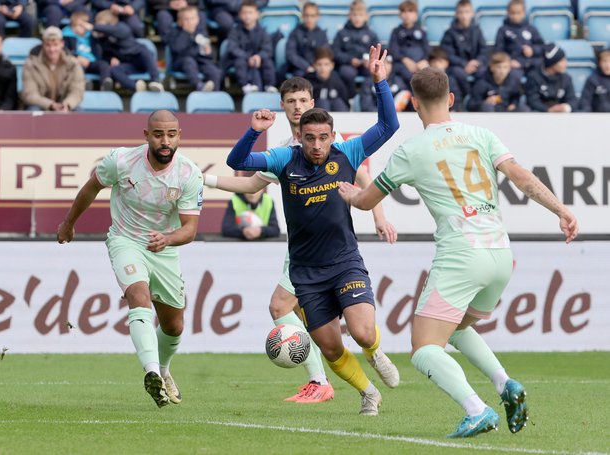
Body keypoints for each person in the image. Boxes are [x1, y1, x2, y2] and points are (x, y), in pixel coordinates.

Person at [339, 66, 578, 436]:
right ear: (451, 99)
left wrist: (350, 192)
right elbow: (521, 177)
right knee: (457, 326)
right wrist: (561, 210)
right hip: (500, 253)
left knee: (422, 347)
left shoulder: (411, 151)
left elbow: (368, 201)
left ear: (414, 104)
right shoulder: (480, 134)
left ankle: (476, 409)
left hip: (461, 254)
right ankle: (504, 384)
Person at [225, 44, 401, 416]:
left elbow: (389, 125)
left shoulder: (348, 153)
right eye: (310, 138)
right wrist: (253, 131)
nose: (317, 145)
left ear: (332, 135)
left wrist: (379, 83)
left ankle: (375, 351)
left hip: (344, 261)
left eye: (324, 138)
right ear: (300, 137)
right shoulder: (283, 158)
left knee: (364, 332)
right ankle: (368, 392)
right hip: (305, 272)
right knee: (332, 347)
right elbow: (237, 161)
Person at [57, 110, 203, 408]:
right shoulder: (121, 161)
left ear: (179, 136)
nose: (165, 141)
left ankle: (162, 370)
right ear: (146, 135)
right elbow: (91, 188)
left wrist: (168, 239)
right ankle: (150, 371)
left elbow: (189, 230)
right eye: (159, 134)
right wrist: (69, 222)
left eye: (171, 134)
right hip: (125, 240)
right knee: (138, 296)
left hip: (164, 248)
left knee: (174, 326)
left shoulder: (189, 174)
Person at [91, 10, 164, 93]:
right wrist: (111, 58)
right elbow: (105, 55)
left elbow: (110, 30)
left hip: (141, 60)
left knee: (145, 52)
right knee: (114, 70)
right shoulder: (103, 40)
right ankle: (137, 87)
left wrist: (92, 26)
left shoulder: (122, 27)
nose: (98, 27)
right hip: (129, 64)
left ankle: (155, 81)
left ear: (110, 24)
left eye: (100, 25)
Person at [20, 26, 85, 111]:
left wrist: (67, 105)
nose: (52, 49)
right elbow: (29, 94)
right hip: (42, 106)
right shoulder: (31, 64)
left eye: (55, 45)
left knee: (79, 110)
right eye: (48, 45)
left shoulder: (73, 64)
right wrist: (51, 105)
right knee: (33, 109)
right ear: (43, 44)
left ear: (62, 44)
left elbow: (77, 91)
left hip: (64, 106)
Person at [222, 0, 276, 94]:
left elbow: (267, 49)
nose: (247, 16)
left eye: (250, 13)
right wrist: (247, 58)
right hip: (243, 59)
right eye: (244, 13)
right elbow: (232, 48)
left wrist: (259, 56)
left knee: (267, 62)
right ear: (239, 15)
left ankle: (269, 85)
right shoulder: (235, 31)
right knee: (239, 61)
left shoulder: (263, 32)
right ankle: (245, 85)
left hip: (257, 60)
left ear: (257, 14)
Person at [166, 5, 223, 92]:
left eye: (192, 18)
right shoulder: (175, 32)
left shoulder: (201, 32)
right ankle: (199, 85)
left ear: (197, 19)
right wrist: (185, 33)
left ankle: (215, 94)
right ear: (179, 21)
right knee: (189, 61)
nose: (190, 22)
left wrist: (209, 52)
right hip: (182, 62)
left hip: (201, 61)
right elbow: (176, 49)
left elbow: (209, 55)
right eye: (186, 19)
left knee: (214, 71)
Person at [332, 0, 379, 100]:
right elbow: (335, 52)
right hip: (348, 64)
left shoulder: (371, 34)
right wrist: (350, 60)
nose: (357, 18)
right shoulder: (342, 33)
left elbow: (377, 51)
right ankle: (350, 99)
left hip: (365, 64)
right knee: (346, 73)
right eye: (354, 15)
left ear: (366, 16)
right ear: (349, 16)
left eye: (360, 15)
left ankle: (368, 99)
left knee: (373, 71)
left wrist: (370, 61)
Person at [440, 0, 487, 98]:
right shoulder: (450, 33)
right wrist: (464, 64)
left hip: (475, 65)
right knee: (458, 74)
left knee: (483, 72)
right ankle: (467, 98)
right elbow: (448, 54)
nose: (464, 15)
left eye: (467, 12)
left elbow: (484, 50)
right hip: (457, 66)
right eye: (461, 12)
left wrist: (477, 62)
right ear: (456, 14)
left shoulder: (477, 31)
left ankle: (476, 99)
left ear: (472, 13)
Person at [62, 11, 114, 91]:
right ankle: (84, 83)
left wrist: (93, 30)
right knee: (78, 68)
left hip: (92, 61)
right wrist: (77, 57)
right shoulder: (67, 36)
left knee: (103, 65)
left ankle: (105, 83)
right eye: (76, 26)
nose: (78, 28)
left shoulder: (92, 36)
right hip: (78, 61)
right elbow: (65, 51)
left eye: (82, 26)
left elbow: (105, 41)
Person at [494, 0, 545, 79]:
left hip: (530, 63)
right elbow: (499, 50)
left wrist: (532, 50)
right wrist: (508, 62)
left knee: (540, 70)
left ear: (524, 13)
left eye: (518, 13)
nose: (515, 16)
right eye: (512, 13)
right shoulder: (503, 30)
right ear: (507, 13)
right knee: (513, 75)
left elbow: (542, 47)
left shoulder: (531, 29)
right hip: (512, 65)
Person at [221, 175, 280, 240]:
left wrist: (260, 231)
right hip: (239, 245)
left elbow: (275, 230)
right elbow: (226, 229)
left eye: (256, 189)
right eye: (249, 189)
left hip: (262, 245)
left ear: (262, 189)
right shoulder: (234, 201)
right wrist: (243, 231)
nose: (252, 193)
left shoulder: (268, 201)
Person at [524, 42, 577, 113]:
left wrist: (566, 107)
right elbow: (532, 101)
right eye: (561, 61)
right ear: (552, 63)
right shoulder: (533, 77)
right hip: (539, 115)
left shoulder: (566, 78)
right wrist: (548, 110)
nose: (566, 63)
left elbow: (572, 99)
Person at [389, 0, 430, 89]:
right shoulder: (396, 32)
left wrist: (424, 60)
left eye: (410, 11)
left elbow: (427, 49)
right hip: (402, 65)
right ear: (400, 14)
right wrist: (405, 60)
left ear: (416, 14)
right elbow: (393, 50)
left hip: (420, 64)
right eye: (403, 11)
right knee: (406, 76)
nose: (407, 14)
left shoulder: (421, 31)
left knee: (429, 74)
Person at [285, 2, 329, 79]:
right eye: (306, 15)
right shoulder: (295, 33)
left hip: (317, 68)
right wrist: (306, 67)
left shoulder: (322, 34)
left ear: (318, 17)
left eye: (312, 16)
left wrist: (317, 66)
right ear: (302, 16)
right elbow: (291, 54)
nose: (309, 19)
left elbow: (324, 54)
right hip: (299, 69)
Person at [306, 47, 350, 112]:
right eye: (319, 64)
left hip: (336, 112)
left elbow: (345, 102)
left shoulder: (337, 81)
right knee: (323, 103)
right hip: (315, 116)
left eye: (326, 64)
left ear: (332, 65)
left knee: (338, 103)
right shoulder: (308, 81)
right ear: (314, 65)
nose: (323, 68)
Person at [428, 46, 463, 112]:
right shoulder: (425, 80)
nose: (436, 64)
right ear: (429, 63)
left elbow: (457, 97)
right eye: (434, 61)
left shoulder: (451, 80)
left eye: (440, 61)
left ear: (447, 63)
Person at [578, 48, 610, 113]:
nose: (607, 65)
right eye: (604, 61)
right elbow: (585, 103)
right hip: (596, 118)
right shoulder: (592, 80)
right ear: (599, 63)